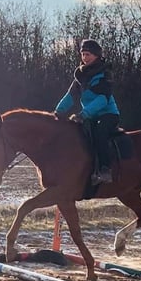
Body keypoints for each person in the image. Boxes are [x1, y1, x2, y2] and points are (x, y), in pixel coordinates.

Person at [54, 38, 120, 185]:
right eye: (83, 55)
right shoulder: (80, 77)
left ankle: (105, 170)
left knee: (100, 132)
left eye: (88, 54)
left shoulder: (104, 75)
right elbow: (70, 96)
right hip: (90, 115)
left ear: (97, 55)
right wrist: (58, 111)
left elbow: (102, 100)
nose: (84, 58)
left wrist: (83, 114)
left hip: (108, 114)